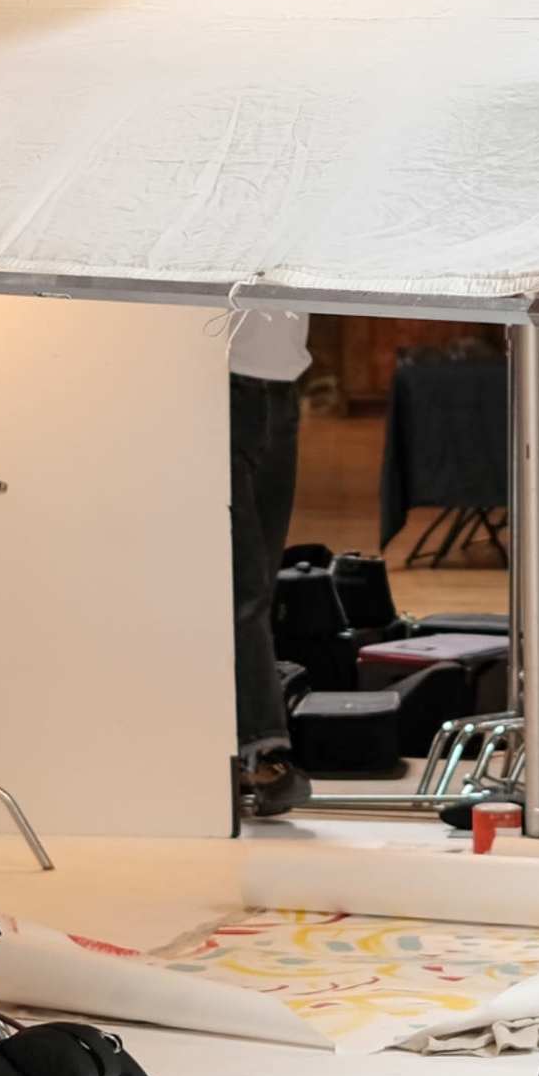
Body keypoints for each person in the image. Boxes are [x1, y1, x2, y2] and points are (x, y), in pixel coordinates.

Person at [226, 309, 312, 819]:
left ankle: (245, 749)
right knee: (243, 586)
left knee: (257, 583)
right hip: (216, 382)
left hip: (281, 383)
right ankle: (261, 748)